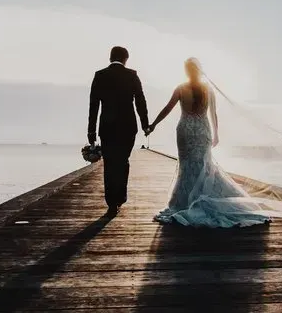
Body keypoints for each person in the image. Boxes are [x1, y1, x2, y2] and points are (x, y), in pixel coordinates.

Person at [147, 58, 271, 227]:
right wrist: (216, 134)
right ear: (199, 70)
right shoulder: (208, 89)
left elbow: (167, 108)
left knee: (187, 166)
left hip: (185, 130)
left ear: (186, 71)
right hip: (203, 130)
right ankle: (204, 198)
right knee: (205, 165)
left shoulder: (181, 88)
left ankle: (184, 202)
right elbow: (214, 114)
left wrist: (153, 124)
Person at [88, 46, 150, 215]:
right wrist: (145, 124)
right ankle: (120, 197)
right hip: (128, 126)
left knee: (109, 163)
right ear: (126, 59)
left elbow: (94, 105)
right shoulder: (132, 75)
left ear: (110, 58)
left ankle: (111, 203)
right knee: (123, 161)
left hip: (107, 127)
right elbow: (140, 101)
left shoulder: (100, 75)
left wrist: (91, 132)